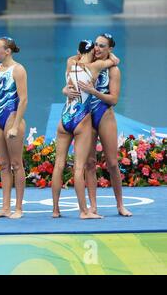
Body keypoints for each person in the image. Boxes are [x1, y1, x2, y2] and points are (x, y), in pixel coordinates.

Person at [53, 40, 118, 219]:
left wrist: (65, 90)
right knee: (79, 167)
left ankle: (56, 210)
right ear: (92, 51)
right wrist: (111, 55)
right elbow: (114, 61)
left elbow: (74, 59)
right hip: (82, 120)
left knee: (58, 165)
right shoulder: (95, 67)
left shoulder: (70, 63)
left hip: (65, 118)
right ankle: (84, 211)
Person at [79, 34, 132, 217]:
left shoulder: (114, 71)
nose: (97, 49)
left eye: (102, 46)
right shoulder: (87, 62)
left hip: (104, 115)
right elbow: (72, 61)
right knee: (90, 163)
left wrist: (94, 91)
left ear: (110, 49)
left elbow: (114, 99)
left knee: (112, 163)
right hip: (87, 116)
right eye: (96, 45)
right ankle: (93, 206)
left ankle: (120, 205)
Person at [0, 37, 28, 219]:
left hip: (13, 119)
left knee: (16, 164)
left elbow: (24, 99)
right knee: (3, 165)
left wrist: (15, 125)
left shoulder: (18, 70)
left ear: (7, 51)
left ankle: (18, 208)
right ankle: (5, 207)